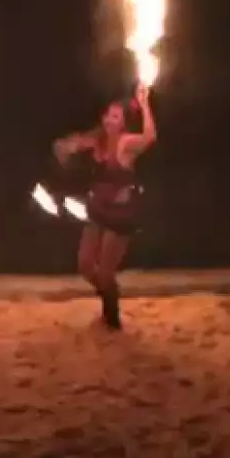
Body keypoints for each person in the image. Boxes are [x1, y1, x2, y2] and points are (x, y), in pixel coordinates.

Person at [53, 84, 157, 329]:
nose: (109, 119)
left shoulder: (125, 144)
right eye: (108, 114)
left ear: (123, 124)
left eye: (116, 116)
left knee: (105, 273)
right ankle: (108, 298)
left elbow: (149, 137)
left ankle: (112, 316)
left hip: (121, 214)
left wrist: (144, 104)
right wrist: (63, 149)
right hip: (98, 209)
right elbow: (67, 145)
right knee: (85, 266)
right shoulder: (97, 139)